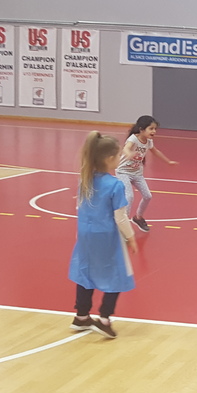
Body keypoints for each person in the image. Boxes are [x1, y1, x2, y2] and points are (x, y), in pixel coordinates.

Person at [68, 131, 138, 339]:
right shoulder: (115, 184)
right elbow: (120, 217)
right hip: (106, 235)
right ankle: (105, 318)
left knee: (85, 272)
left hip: (85, 234)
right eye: (118, 155)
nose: (120, 158)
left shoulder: (85, 180)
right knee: (116, 273)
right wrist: (131, 237)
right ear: (109, 159)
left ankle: (81, 316)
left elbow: (80, 208)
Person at [116, 115, 178, 232]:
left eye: (155, 129)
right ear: (141, 129)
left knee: (148, 196)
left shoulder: (149, 141)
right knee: (129, 196)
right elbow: (126, 148)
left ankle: (138, 217)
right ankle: (124, 224)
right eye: (151, 129)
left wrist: (168, 161)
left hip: (137, 173)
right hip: (123, 172)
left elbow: (155, 151)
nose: (154, 131)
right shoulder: (133, 139)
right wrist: (129, 153)